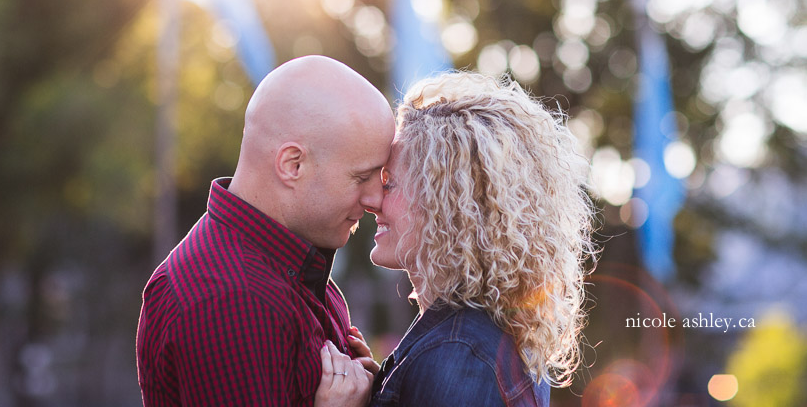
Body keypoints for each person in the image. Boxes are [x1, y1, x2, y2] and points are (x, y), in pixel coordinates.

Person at [320, 70, 595, 406]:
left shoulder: (458, 356)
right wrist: (387, 390)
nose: (372, 199)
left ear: (449, 202)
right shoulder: (464, 342)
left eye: (389, 183)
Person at [136, 55, 394, 407]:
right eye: (362, 177)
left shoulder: (292, 265)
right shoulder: (230, 302)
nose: (375, 199)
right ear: (293, 164)